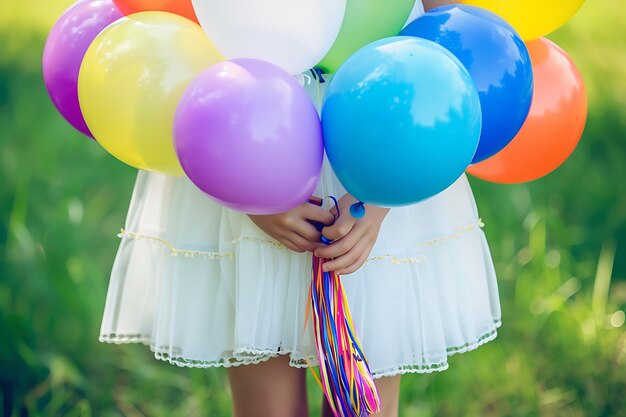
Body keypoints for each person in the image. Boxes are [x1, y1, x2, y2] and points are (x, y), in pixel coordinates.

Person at [99, 1, 501, 416]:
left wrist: (383, 190)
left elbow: (449, 19)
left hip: (388, 108)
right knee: (266, 396)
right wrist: (248, 188)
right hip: (242, 115)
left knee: (363, 398)